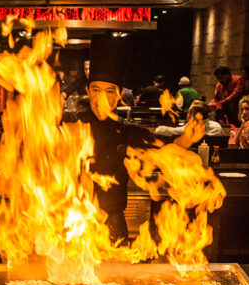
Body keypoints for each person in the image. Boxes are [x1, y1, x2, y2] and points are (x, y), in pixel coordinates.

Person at [78, 35, 206, 241]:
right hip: (73, 222)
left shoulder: (128, 131)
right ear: (88, 91)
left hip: (113, 226)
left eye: (109, 91)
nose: (102, 98)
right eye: (96, 89)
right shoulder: (69, 126)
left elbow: (164, 150)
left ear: (119, 95)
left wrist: (187, 139)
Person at [154, 101, 224, 138]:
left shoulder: (189, 128)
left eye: (188, 112)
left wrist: (157, 128)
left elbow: (159, 130)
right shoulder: (217, 127)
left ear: (192, 115)